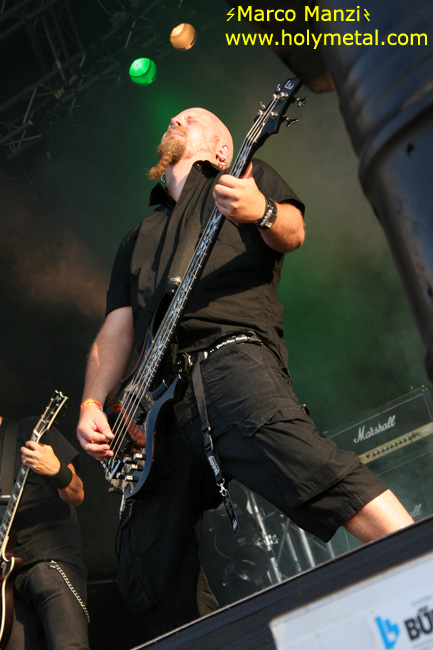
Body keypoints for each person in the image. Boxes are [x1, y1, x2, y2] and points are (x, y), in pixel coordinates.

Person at [76, 107, 414, 640]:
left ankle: (421, 561)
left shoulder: (241, 179)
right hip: (162, 405)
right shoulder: (136, 238)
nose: (175, 119)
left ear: (221, 149)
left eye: (191, 118)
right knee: (146, 566)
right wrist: (92, 402)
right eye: (172, 118)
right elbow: (117, 331)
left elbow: (293, 231)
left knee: (312, 470)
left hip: (229, 360)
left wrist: (262, 211)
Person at [0, 415, 90, 650]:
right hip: (7, 585)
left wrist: (57, 470)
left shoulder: (30, 430)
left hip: (50, 563)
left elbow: (77, 494)